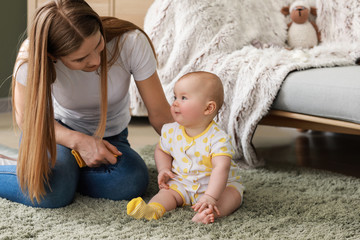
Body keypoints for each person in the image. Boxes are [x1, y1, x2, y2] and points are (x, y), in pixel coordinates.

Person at [0, 0, 172, 208]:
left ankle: (63, 176)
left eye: (98, 44)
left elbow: (160, 113)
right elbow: (28, 121)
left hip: (111, 137)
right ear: (53, 56)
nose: (96, 61)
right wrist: (80, 142)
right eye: (80, 59)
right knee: (50, 194)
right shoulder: (32, 56)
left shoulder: (131, 42)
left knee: (130, 181)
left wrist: (187, 150)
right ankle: (51, 176)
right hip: (55, 134)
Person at [127, 71, 245, 224]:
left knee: (232, 197)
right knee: (166, 193)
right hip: (182, 183)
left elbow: (221, 168)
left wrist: (210, 196)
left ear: (208, 108)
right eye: (175, 97)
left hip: (217, 187)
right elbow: (161, 150)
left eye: (183, 98)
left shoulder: (218, 139)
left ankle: (208, 214)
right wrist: (164, 169)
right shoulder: (171, 131)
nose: (175, 103)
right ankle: (153, 209)